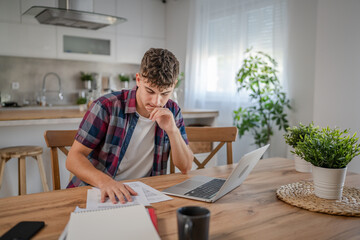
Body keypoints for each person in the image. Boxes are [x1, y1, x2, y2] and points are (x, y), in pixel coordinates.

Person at [66, 48, 194, 204]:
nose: (156, 101)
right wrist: (105, 182)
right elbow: (73, 159)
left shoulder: (172, 111)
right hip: (97, 192)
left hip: (142, 195)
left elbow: (186, 167)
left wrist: (172, 130)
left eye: (165, 93)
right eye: (150, 91)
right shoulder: (106, 106)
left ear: (173, 85)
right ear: (138, 79)